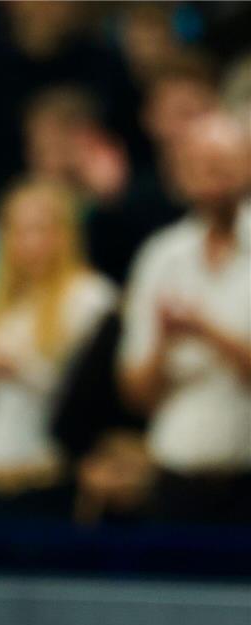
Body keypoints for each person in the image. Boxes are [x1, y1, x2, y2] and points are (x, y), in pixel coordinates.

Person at [118, 112, 251, 523]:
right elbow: (135, 395)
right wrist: (163, 342)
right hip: (175, 479)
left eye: (222, 163)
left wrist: (207, 331)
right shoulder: (160, 256)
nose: (211, 177)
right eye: (199, 165)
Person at [0, 178, 117, 519]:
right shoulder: (6, 305)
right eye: (17, 231)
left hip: (45, 476)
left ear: (66, 233)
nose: (28, 243)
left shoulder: (90, 298)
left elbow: (88, 395)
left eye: (40, 229)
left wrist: (16, 370)